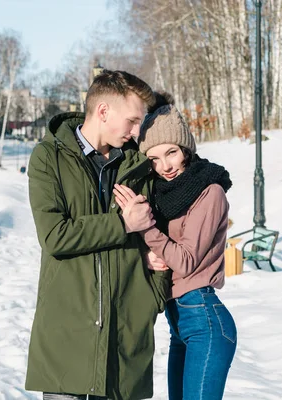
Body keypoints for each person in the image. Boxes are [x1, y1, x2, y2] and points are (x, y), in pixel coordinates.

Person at [25, 70, 172, 400]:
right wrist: (122, 225)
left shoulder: (139, 165)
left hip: (125, 344)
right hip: (67, 342)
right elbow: (55, 237)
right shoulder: (48, 158)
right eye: (133, 121)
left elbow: (166, 230)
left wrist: (156, 286)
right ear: (104, 111)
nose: (137, 132)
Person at [113, 93, 237, 400]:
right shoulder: (161, 193)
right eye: (154, 158)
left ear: (185, 148)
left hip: (206, 324)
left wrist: (145, 227)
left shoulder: (210, 192)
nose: (165, 165)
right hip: (178, 325)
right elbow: (160, 251)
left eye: (171, 152)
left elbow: (184, 260)